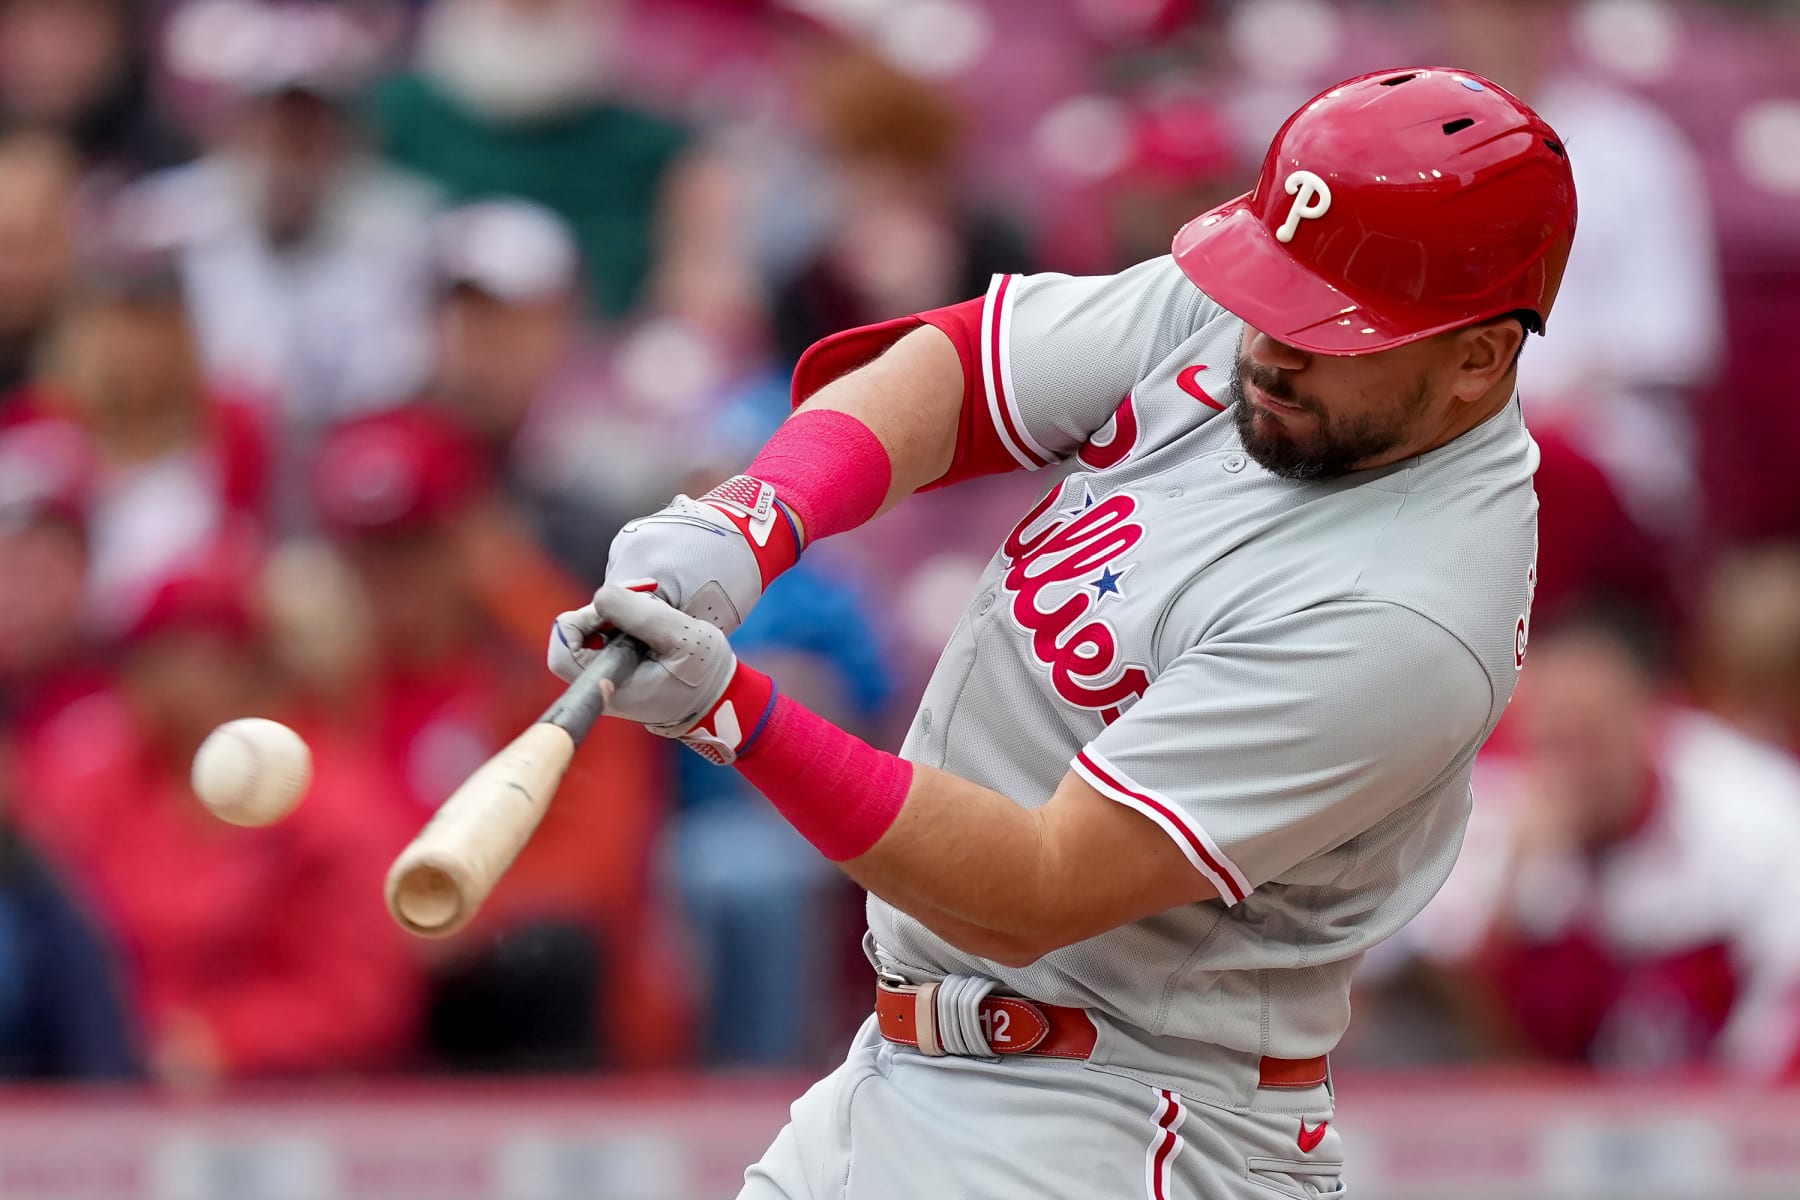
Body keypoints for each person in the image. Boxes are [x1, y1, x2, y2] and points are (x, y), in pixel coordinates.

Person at [548, 68, 1575, 1196]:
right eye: (1275, 294)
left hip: (1120, 1118)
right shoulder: (1282, 320)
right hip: (917, 1070)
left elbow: (1036, 888)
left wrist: (730, 715)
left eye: (1330, 327)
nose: (1271, 346)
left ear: (1479, 356)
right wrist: (751, 517)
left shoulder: (1408, 613)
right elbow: (961, 369)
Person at [1401, 611, 1800, 1077]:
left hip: (1728, 1091)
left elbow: (1784, 992)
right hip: (1559, 1104)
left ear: (1648, 722)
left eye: (1593, 739)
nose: (1575, 768)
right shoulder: (1491, 811)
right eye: (1556, 741)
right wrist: (1511, 885)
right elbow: (1449, 1016)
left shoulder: (1750, 802)